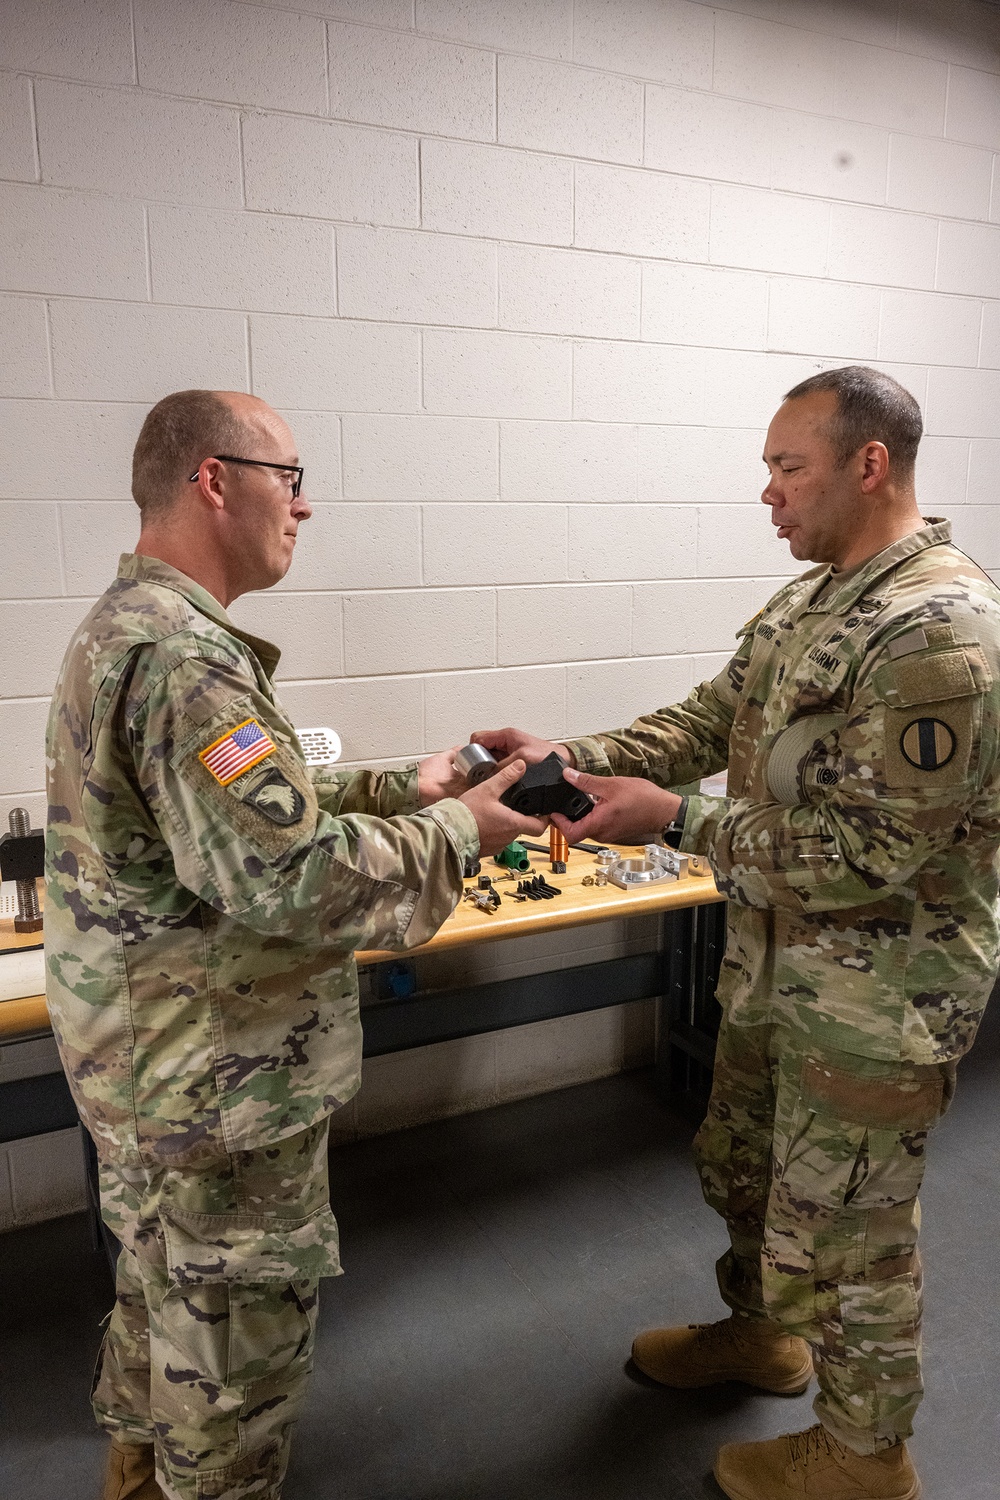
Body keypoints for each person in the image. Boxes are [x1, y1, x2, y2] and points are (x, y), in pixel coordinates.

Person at [473, 366, 1000, 1500]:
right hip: (779, 964)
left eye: (786, 467)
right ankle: (761, 1337)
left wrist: (676, 821)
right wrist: (560, 766)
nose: (766, 493)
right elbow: (710, 716)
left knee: (854, 1229)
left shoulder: (937, 630)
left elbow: (874, 852)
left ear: (871, 466)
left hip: (877, 994)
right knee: (752, 1169)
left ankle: (867, 1457)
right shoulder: (817, 597)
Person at [45, 389, 543, 1500]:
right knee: (233, 1367)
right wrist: (466, 827)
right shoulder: (186, 663)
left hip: (152, 1067)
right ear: (214, 480)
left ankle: (139, 1472)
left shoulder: (138, 630)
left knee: (162, 1300)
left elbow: (241, 813)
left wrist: (401, 785)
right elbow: (293, 874)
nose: (305, 508)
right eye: (291, 477)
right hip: (216, 1088)